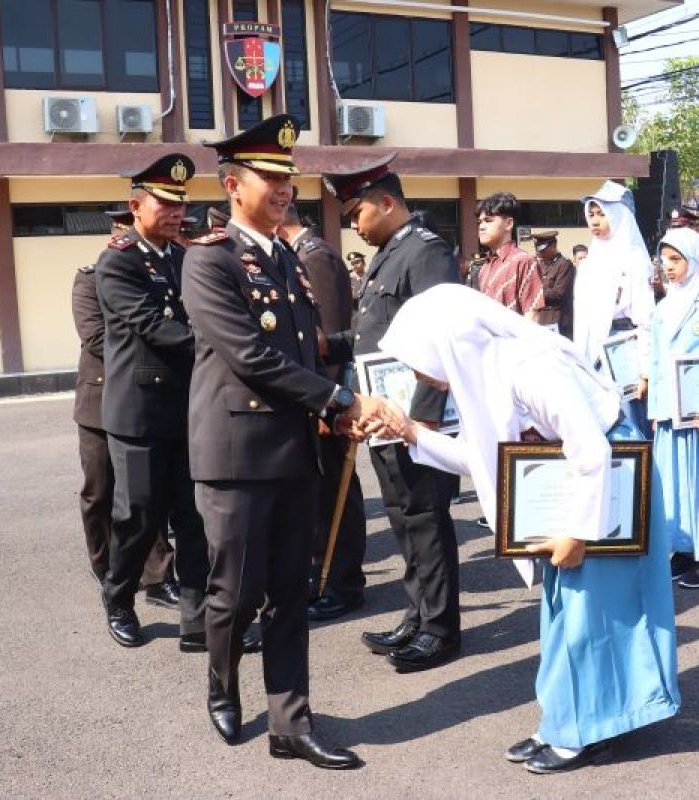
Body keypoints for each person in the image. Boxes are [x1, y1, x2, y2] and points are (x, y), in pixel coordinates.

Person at [373, 283, 680, 775]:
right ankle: (566, 721)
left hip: (605, 483)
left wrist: (579, 534)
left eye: (416, 360)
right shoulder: (489, 372)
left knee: (594, 616)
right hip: (577, 486)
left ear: (447, 343)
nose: (416, 375)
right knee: (566, 613)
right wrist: (411, 433)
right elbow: (487, 460)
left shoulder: (528, 368)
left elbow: (592, 449)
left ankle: (584, 731)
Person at [182, 114, 374, 767]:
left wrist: (331, 408)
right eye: (271, 177)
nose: (284, 189)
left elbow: (305, 352)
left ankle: (291, 723)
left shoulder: (289, 258)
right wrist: (336, 397)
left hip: (293, 451)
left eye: (288, 178)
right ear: (234, 186)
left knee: (291, 591)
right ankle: (222, 684)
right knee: (235, 594)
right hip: (236, 456)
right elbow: (249, 356)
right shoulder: (208, 262)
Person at [319, 152, 463, 674]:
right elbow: (371, 337)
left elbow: (442, 342)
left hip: (413, 420)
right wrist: (327, 347)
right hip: (385, 416)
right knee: (404, 518)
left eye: (358, 213)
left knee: (426, 518)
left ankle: (441, 629)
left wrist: (420, 423)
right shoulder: (389, 253)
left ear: (386, 202)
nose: (354, 225)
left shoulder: (426, 253)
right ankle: (417, 614)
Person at [94, 154, 209, 650]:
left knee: (194, 517)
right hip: (140, 412)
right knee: (138, 518)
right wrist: (219, 349)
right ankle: (118, 596)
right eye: (165, 203)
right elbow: (153, 327)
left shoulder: (182, 259)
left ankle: (198, 621)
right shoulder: (117, 261)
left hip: (188, 410)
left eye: (180, 204)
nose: (176, 213)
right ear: (136, 206)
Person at [72, 217, 177, 607]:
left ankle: (158, 576)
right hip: (100, 401)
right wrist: (146, 341)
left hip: (146, 396)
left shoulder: (159, 273)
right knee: (100, 492)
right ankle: (105, 569)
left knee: (146, 496)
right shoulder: (91, 278)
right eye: (120, 232)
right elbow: (96, 337)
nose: (125, 239)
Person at [277, 202, 367, 622]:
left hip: (327, 401)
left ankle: (343, 583)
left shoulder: (316, 255)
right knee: (320, 495)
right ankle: (324, 575)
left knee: (336, 495)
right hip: (312, 397)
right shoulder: (297, 254)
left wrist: (327, 405)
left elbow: (327, 341)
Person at [648, 228, 699, 589]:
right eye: (664, 260)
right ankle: (681, 548)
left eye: (676, 260)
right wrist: (655, 409)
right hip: (669, 413)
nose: (668, 267)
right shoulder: (663, 307)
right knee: (672, 483)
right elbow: (654, 360)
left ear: (695, 260)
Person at [574, 180, 655, 437]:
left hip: (625, 352)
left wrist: (645, 371)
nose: (595, 221)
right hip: (593, 354)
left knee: (628, 424)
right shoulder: (589, 263)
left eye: (601, 214)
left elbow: (645, 319)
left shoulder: (634, 261)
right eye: (591, 214)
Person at [475, 192, 545, 321]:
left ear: (508, 224)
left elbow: (532, 315)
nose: (481, 227)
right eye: (479, 222)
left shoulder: (523, 261)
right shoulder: (484, 267)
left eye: (488, 221)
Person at [530, 231, 575, 336]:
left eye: (542, 250)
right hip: (539, 318)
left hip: (557, 320)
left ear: (553, 246)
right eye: (538, 249)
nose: (539, 252)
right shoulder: (538, 264)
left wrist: (534, 293)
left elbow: (558, 293)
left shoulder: (564, 265)